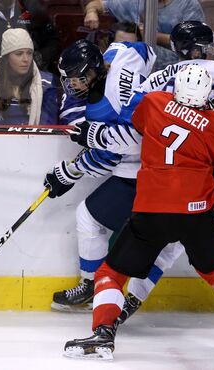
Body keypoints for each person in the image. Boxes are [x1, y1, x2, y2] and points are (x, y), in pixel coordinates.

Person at [64, 21, 214, 332]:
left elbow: (134, 133)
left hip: (167, 177)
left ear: (176, 49)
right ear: (208, 47)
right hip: (211, 169)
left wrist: (96, 135)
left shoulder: (154, 83)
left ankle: (128, 303)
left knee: (168, 244)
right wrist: (213, 123)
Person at [43, 39, 156, 311]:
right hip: (154, 163)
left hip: (145, 171)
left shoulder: (102, 110)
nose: (73, 87)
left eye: (78, 80)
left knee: (91, 217)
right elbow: (146, 51)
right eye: (69, 81)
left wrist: (70, 171)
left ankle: (93, 287)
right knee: (186, 239)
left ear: (93, 72)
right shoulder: (121, 55)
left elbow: (110, 159)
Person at [83, 0, 205, 70]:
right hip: (135, 75)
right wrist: (91, 12)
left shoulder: (188, 5)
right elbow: (97, 3)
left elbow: (195, 44)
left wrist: (149, 34)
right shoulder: (134, 2)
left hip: (173, 74)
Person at [0, 28, 58, 125]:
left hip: (35, 138)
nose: (26, 59)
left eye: (29, 53)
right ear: (6, 57)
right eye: (19, 54)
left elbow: (48, 123)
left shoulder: (48, 82)